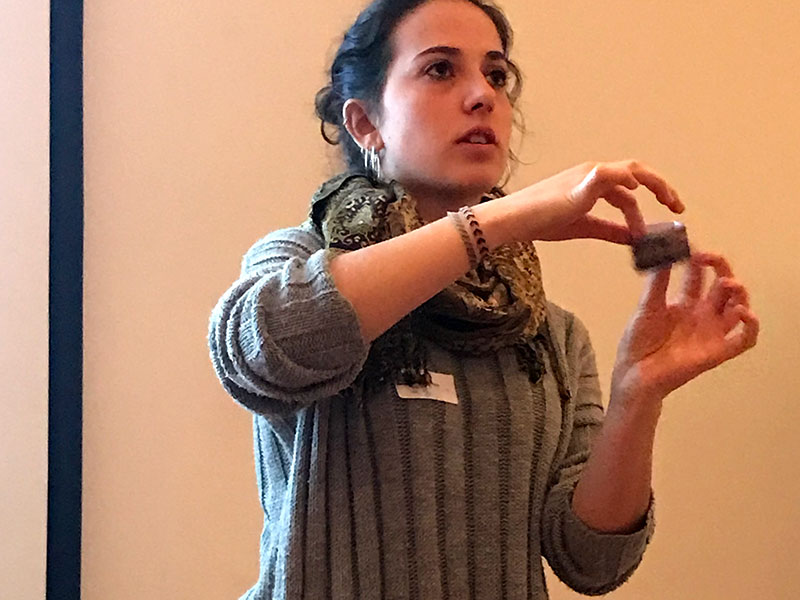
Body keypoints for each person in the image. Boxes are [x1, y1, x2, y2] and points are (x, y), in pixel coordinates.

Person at [207, 0, 760, 598]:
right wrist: (500, 219)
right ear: (366, 123)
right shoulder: (299, 259)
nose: (482, 96)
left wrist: (638, 393)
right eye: (440, 69)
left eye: (496, 75)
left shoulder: (547, 332)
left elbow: (591, 560)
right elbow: (259, 350)